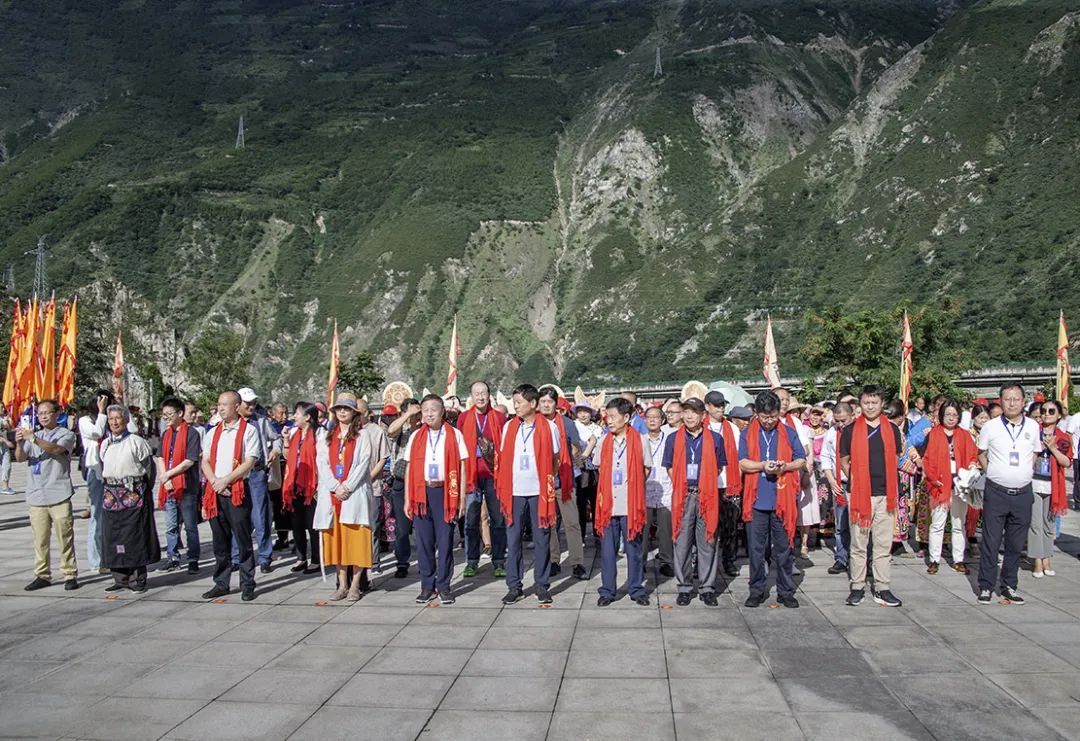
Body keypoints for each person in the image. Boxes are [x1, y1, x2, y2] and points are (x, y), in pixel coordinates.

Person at [739, 391, 805, 609]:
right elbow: (743, 463)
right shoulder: (748, 433)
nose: (768, 421)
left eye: (773, 416)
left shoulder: (788, 432)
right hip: (757, 500)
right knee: (757, 549)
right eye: (764, 417)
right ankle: (756, 590)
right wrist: (762, 466)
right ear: (756, 413)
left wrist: (784, 466)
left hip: (782, 499)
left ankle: (786, 591)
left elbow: (800, 460)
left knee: (784, 549)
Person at [840, 385, 903, 608]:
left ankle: (882, 586)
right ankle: (857, 586)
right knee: (858, 544)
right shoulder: (850, 430)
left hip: (886, 495)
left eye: (874, 402)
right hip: (860, 496)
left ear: (882, 404)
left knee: (883, 545)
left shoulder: (892, 430)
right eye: (866, 402)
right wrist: (857, 480)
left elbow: (895, 457)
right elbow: (845, 460)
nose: (870, 406)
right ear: (860, 403)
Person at [976, 384, 1038, 605]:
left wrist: (1022, 473)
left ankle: (1010, 585)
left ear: (1023, 401)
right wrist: (994, 472)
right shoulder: (990, 427)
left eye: (1016, 399)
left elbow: (1034, 454)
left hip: (1022, 494)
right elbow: (982, 454)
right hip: (996, 492)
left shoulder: (1032, 426)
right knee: (991, 541)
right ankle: (985, 585)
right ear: (1000, 401)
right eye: (1007, 399)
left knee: (1015, 543)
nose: (1012, 403)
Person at [498, 384, 561, 605]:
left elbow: (555, 459)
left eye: (519, 402)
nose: (515, 406)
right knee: (513, 540)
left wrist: (544, 480)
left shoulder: (549, 427)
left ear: (532, 404)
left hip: (539, 492)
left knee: (542, 539)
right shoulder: (509, 428)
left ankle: (542, 585)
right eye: (514, 402)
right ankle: (514, 585)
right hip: (514, 492)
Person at [661, 397, 726, 606]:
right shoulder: (673, 439)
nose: (689, 416)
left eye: (694, 412)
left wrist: (704, 484)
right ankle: (685, 587)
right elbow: (669, 467)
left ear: (703, 415)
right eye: (686, 411)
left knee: (707, 542)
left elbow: (719, 467)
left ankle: (707, 587)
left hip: (706, 495)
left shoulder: (715, 439)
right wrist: (683, 486)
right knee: (681, 543)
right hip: (683, 495)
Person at [404, 394, 468, 604]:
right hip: (421, 493)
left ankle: (444, 585)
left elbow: (462, 466)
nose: (429, 413)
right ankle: (427, 585)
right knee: (424, 543)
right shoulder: (416, 437)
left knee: (445, 540)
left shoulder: (454, 434)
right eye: (425, 410)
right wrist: (407, 499)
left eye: (434, 409)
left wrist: (461, 499)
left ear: (443, 412)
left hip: (445, 493)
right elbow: (409, 469)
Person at [200, 390, 261, 602]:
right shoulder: (212, 432)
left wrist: (226, 480)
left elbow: (249, 461)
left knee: (242, 539)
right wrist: (216, 483)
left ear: (237, 406)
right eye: (219, 404)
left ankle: (247, 583)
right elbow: (205, 461)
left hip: (236, 490)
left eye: (225, 404)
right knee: (220, 541)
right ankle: (221, 583)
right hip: (216, 491)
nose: (220, 408)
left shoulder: (248, 431)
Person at [314, 392, 375, 602]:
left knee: (356, 540)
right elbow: (322, 463)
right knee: (338, 541)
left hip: (354, 494)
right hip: (333, 496)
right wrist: (334, 486)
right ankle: (342, 583)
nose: (342, 412)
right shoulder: (326, 436)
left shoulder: (362, 435)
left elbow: (363, 463)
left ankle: (356, 585)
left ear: (354, 412)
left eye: (346, 408)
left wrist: (347, 486)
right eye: (339, 408)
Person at [17, 399, 80, 591]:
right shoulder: (33, 435)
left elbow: (55, 449)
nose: (43, 416)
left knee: (65, 537)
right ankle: (42, 574)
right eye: (40, 413)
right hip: (37, 494)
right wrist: (20, 442)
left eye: (47, 412)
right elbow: (20, 458)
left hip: (58, 493)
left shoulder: (65, 434)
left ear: (56, 414)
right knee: (40, 539)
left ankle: (70, 573)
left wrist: (32, 438)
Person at [593, 397, 651, 606]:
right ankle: (607, 590)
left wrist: (633, 487)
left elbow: (646, 468)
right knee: (608, 552)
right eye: (607, 417)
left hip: (630, 504)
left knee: (633, 550)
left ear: (626, 417)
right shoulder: (603, 441)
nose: (609, 421)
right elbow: (599, 468)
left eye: (614, 417)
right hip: (608, 505)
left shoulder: (640, 440)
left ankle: (636, 589)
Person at [99, 405, 159, 592]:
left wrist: (142, 491)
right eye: (111, 419)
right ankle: (120, 578)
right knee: (113, 536)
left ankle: (137, 579)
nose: (115, 422)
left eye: (118, 418)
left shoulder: (137, 441)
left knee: (134, 537)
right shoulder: (105, 443)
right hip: (111, 495)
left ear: (126, 420)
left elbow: (149, 469)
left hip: (133, 494)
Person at [915, 399, 978, 575]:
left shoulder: (965, 435)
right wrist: (933, 477)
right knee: (937, 524)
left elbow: (972, 455)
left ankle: (959, 559)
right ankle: (934, 559)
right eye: (948, 414)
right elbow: (926, 459)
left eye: (954, 415)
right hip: (939, 485)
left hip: (959, 485)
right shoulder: (933, 434)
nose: (951, 418)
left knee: (959, 524)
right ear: (941, 415)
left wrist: (972, 466)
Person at [457, 381, 507, 578]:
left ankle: (499, 561)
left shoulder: (499, 418)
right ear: (471, 396)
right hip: (471, 476)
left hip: (494, 476)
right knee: (471, 520)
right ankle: (471, 561)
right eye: (476, 393)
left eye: (484, 393)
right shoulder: (463, 418)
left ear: (489, 395)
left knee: (497, 519)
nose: (480, 397)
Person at [539, 386, 585, 579]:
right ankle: (554, 560)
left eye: (549, 401)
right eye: (542, 402)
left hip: (564, 480)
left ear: (556, 403)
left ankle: (577, 563)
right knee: (549, 523)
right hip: (543, 482)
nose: (546, 405)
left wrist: (564, 461)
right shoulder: (535, 424)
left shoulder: (566, 423)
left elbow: (576, 447)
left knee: (571, 523)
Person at [236, 388, 282, 574]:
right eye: (247, 403)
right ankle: (236, 556)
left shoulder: (261, 421)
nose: (251, 406)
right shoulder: (230, 424)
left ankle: (264, 556)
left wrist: (274, 451)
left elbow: (276, 438)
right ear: (237, 405)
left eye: (253, 402)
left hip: (257, 473)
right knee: (238, 517)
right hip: (237, 474)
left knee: (260, 516)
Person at [156, 397, 202, 574]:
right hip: (168, 486)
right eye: (164, 415)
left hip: (187, 486)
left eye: (169, 414)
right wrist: (164, 477)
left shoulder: (191, 433)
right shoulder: (166, 434)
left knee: (190, 525)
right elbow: (160, 456)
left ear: (180, 413)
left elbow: (190, 460)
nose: (166, 418)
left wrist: (169, 474)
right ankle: (172, 557)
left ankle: (193, 558)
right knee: (171, 525)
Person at [1029, 400, 1071, 578]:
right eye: (1044, 410)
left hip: (1053, 485)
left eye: (1051, 411)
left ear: (1059, 415)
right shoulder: (1033, 432)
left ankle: (1047, 558)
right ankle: (1038, 561)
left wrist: (1052, 448)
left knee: (1048, 524)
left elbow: (1066, 462)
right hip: (1033, 482)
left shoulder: (1062, 437)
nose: (1046, 414)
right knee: (1035, 524)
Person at [704, 391, 744, 578]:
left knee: (730, 526)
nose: (720, 408)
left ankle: (729, 561)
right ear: (707, 407)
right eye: (716, 405)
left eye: (722, 405)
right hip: (707, 484)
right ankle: (703, 562)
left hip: (728, 482)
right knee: (705, 526)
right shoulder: (701, 427)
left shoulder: (732, 429)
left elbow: (738, 456)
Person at [282, 402, 322, 575]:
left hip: (312, 486)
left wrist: (319, 484)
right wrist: (285, 440)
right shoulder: (293, 433)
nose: (293, 417)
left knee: (312, 523)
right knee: (296, 523)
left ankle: (315, 559)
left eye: (297, 414)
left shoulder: (320, 434)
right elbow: (287, 456)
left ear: (307, 417)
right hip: (294, 484)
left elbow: (321, 460)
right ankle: (301, 557)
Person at [356, 398, 392, 573]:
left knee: (373, 526)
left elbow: (383, 458)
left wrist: (369, 477)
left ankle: (374, 561)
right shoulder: (350, 431)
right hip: (352, 489)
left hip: (372, 486)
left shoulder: (376, 431)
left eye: (359, 412)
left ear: (366, 413)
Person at [387, 397, 420, 578]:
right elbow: (391, 431)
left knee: (423, 524)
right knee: (402, 526)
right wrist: (408, 414)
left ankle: (425, 559)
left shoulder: (424, 428)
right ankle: (402, 562)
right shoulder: (401, 429)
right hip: (401, 481)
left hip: (420, 481)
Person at [818, 402, 853, 575]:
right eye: (837, 420)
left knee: (860, 525)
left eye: (843, 420)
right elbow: (825, 457)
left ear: (851, 416)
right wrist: (831, 480)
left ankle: (863, 560)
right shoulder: (832, 433)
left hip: (857, 483)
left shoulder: (858, 431)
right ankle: (841, 558)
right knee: (841, 524)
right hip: (839, 483)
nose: (840, 424)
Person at [77, 392, 109, 571]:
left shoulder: (109, 419)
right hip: (96, 470)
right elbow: (96, 433)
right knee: (97, 516)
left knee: (110, 518)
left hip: (112, 470)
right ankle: (96, 560)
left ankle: (109, 556)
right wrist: (102, 412)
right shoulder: (85, 421)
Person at [642, 406, 674, 578]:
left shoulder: (670, 439)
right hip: (644, 490)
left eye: (656, 417)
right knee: (643, 529)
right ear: (644, 420)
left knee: (665, 529)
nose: (652, 420)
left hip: (665, 489)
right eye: (649, 417)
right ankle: (640, 561)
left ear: (662, 420)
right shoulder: (639, 440)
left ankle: (666, 561)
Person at [571, 400, 601, 542]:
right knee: (580, 505)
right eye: (580, 411)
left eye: (586, 411)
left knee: (596, 503)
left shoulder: (598, 429)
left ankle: (597, 533)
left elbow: (598, 445)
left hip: (595, 470)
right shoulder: (574, 426)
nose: (583, 415)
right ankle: (580, 535)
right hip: (579, 471)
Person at [0, 409, 14, 495]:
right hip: (4, 443)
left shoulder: (4, 419)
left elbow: (8, 431)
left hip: (4, 445)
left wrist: (9, 424)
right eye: (1, 407)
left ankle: (5, 487)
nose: (2, 409)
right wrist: (6, 441)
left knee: (7, 465)